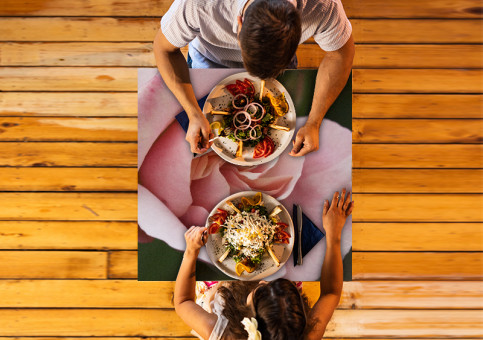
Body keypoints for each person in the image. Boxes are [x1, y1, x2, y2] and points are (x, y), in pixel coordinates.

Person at [154, 0, 355, 156]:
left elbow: (341, 55)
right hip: (208, 61)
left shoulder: (323, 6)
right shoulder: (197, 5)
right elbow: (163, 50)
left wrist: (314, 123)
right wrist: (192, 113)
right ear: (239, 24)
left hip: (282, 71)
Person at [174, 188, 353, 339]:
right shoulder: (306, 335)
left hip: (224, 294)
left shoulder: (224, 334)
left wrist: (190, 252)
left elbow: (182, 301)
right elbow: (331, 293)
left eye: (261, 289)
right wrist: (334, 235)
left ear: (249, 319)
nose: (263, 281)